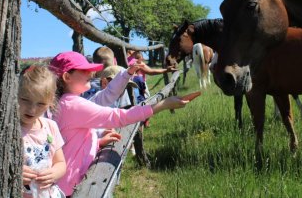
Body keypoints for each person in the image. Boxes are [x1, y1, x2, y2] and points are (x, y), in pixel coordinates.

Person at [49, 51, 191, 196]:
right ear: (67, 77)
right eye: (84, 70)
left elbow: (106, 95)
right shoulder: (73, 105)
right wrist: (163, 105)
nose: (90, 72)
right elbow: (118, 116)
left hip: (68, 183)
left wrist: (96, 142)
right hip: (71, 187)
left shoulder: (66, 103)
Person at [19, 65, 66, 198]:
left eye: (40, 104)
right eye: (25, 100)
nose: (32, 109)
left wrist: (54, 173)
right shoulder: (11, 130)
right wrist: (15, 172)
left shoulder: (51, 126)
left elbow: (60, 163)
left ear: (51, 102)